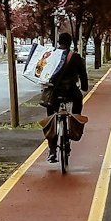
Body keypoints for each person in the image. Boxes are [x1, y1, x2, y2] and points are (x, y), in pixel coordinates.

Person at [41, 32, 89, 163]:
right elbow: (83, 75)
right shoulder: (76, 57)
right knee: (78, 102)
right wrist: (84, 87)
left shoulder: (51, 56)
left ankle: (52, 150)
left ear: (58, 42)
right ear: (70, 43)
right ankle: (75, 121)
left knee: (51, 117)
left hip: (54, 93)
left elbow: (43, 74)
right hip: (71, 91)